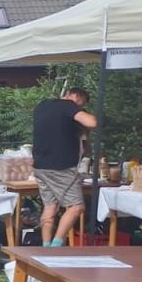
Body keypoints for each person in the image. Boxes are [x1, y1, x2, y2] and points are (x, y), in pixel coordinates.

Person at [32, 87, 97, 246]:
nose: (80, 107)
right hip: (60, 166)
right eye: (81, 104)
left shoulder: (43, 105)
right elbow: (92, 122)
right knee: (76, 207)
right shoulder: (68, 106)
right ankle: (56, 245)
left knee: (50, 207)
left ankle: (46, 246)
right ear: (76, 97)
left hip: (40, 165)